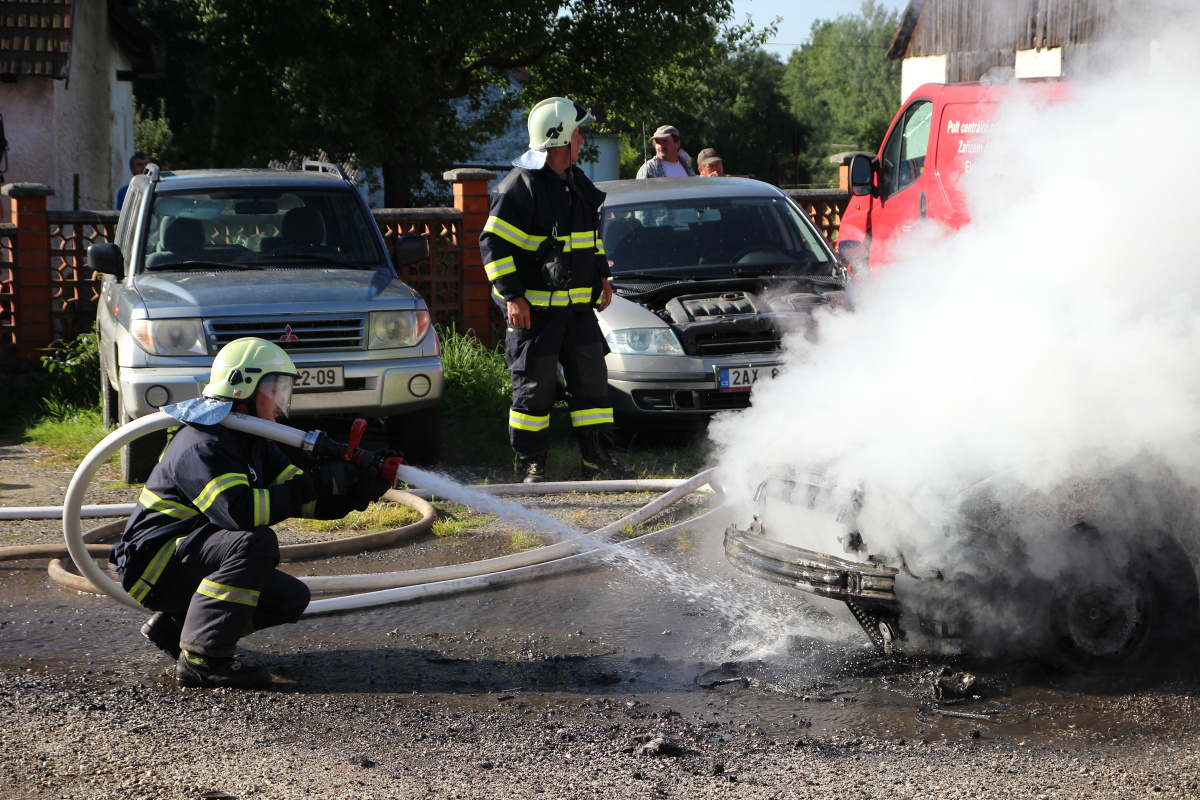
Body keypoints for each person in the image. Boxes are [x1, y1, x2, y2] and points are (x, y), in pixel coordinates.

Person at [110, 337, 391, 689]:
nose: (280, 402)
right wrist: (313, 482)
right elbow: (238, 512)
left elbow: (302, 499)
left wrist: (352, 493)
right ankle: (203, 659)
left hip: (185, 557)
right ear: (242, 386)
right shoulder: (204, 442)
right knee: (253, 542)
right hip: (154, 564)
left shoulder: (253, 442)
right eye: (275, 389)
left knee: (289, 599)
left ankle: (177, 629)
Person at [479, 96, 632, 484]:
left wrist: (602, 276)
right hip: (536, 315)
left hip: (578, 311)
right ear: (559, 138)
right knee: (533, 392)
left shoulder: (577, 183)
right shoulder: (519, 187)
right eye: (577, 134)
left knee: (593, 389)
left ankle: (598, 461)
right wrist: (513, 296)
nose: (581, 141)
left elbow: (589, 238)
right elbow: (493, 245)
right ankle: (532, 464)